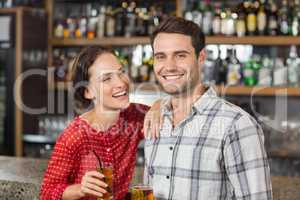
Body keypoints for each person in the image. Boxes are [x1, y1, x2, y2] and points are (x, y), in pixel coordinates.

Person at [144, 17, 272, 200]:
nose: (169, 66)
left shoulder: (237, 124)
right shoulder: (154, 120)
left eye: (180, 55)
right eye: (160, 56)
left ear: (201, 57)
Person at [40, 46, 155, 200]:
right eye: (107, 79)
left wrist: (159, 105)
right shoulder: (74, 136)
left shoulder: (134, 117)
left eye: (121, 72)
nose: (121, 83)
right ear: (88, 91)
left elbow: (170, 112)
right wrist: (80, 189)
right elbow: (47, 192)